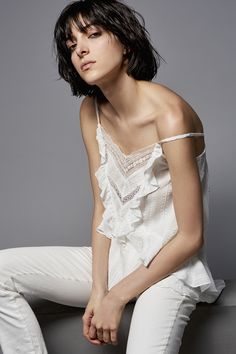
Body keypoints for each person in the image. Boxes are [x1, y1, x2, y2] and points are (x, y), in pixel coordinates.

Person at [0, 0, 226, 353]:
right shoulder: (90, 111)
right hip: (118, 258)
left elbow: (190, 237)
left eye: (93, 34)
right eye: (72, 45)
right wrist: (98, 290)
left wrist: (117, 296)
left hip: (169, 269)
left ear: (125, 43)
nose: (81, 50)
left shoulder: (171, 116)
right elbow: (103, 207)